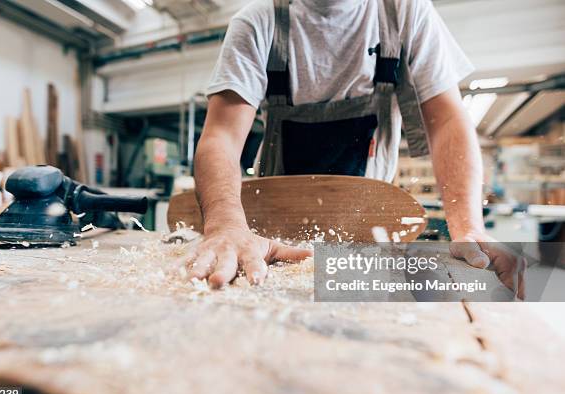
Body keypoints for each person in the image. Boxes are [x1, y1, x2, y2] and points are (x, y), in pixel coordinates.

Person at [187, 0, 512, 291]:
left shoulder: (404, 13)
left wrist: (468, 228)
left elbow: (448, 123)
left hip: (369, 236)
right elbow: (221, 138)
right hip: (270, 244)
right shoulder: (260, 21)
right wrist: (227, 225)